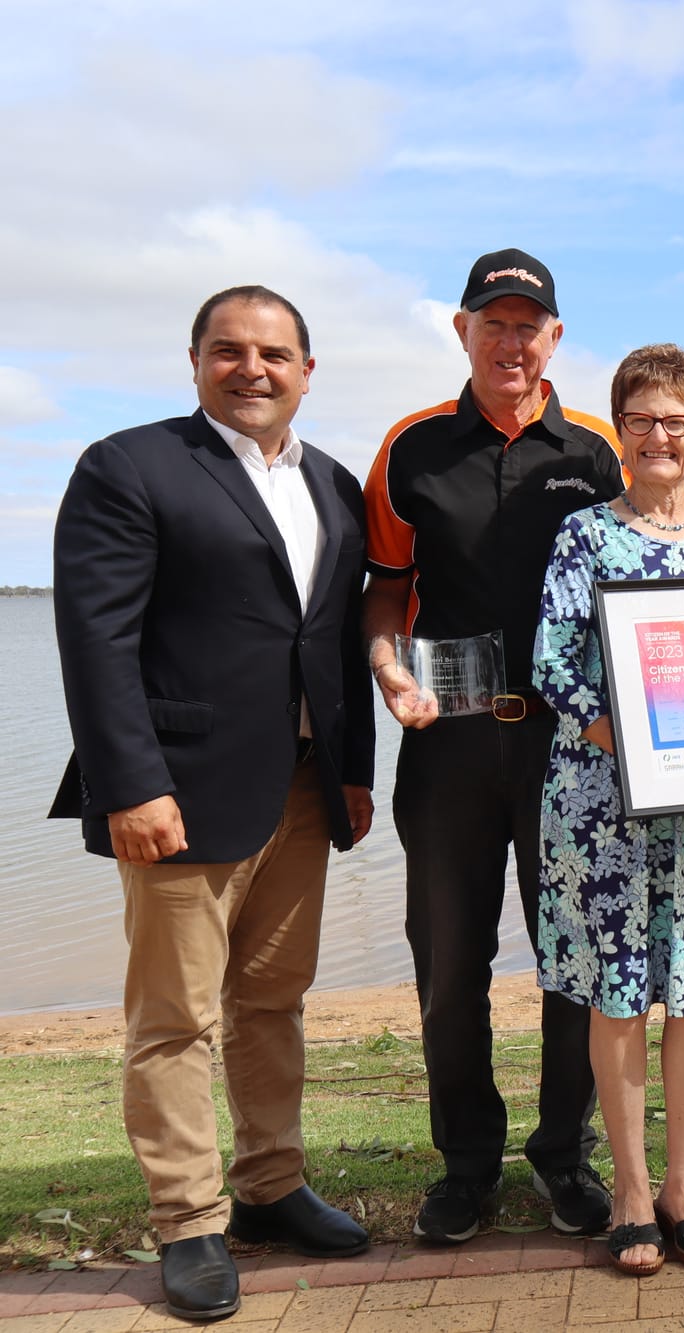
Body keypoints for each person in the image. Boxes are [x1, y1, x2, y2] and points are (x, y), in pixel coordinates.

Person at [50, 287, 373, 1321]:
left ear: (307, 371)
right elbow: (96, 641)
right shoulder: (129, 466)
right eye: (228, 350)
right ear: (194, 361)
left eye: (274, 353)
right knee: (175, 1018)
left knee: (272, 999)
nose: (252, 369)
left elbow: (334, 639)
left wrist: (354, 768)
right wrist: (130, 784)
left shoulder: (332, 483)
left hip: (304, 788)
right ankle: (189, 1220)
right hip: (179, 795)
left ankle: (270, 1182)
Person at [362, 249, 622, 1241]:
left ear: (554, 338)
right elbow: (386, 588)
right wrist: (386, 666)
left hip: (573, 745)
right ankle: (466, 1165)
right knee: (448, 963)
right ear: (462, 330)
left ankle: (566, 1155)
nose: (510, 342)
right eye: (493, 322)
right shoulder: (411, 447)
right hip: (450, 745)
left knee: (572, 962)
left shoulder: (599, 449)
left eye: (528, 326)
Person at [533, 345, 684, 1274]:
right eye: (641, 419)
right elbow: (554, 665)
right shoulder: (584, 536)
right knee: (619, 995)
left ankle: (683, 1187)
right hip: (602, 807)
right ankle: (629, 1191)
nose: (658, 436)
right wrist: (639, 750)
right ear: (619, 430)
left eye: (676, 421)